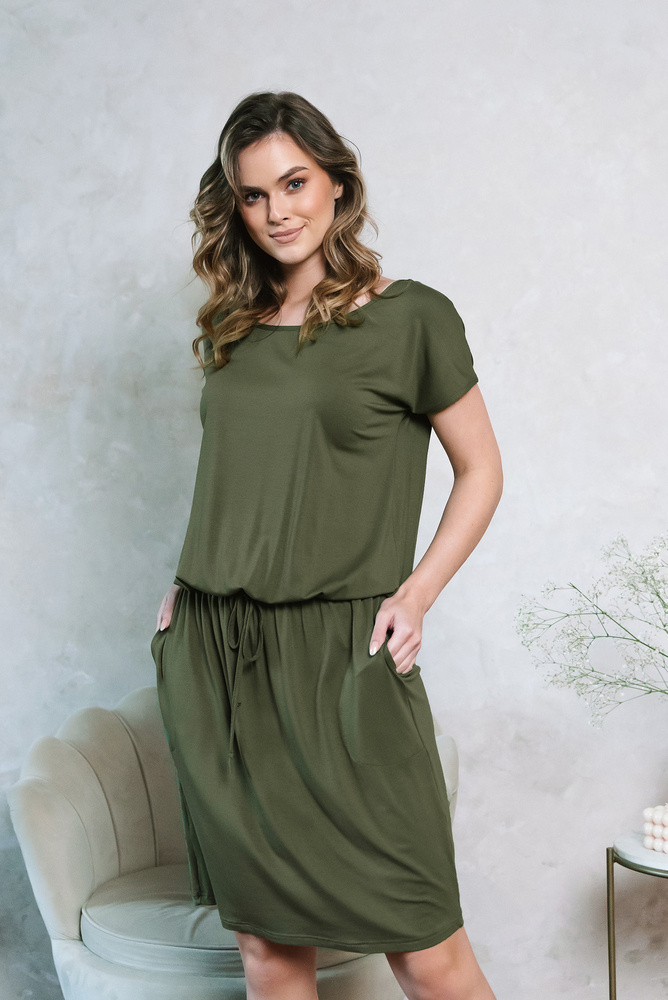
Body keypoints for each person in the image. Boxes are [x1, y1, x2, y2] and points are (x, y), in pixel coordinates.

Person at [151, 90, 503, 1000]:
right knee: (270, 956)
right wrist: (189, 584)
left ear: (337, 183)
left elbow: (481, 471)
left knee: (427, 950)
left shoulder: (412, 317)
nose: (278, 211)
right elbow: (242, 475)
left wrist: (416, 594)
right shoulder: (232, 329)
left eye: (295, 183)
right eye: (254, 194)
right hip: (219, 655)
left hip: (345, 653)